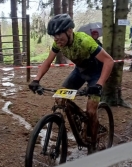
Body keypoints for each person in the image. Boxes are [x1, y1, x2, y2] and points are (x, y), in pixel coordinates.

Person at [28, 14, 114, 153]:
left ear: (69, 31)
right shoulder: (58, 43)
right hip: (79, 71)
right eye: (53, 36)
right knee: (59, 98)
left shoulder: (85, 41)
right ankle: (79, 120)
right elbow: (47, 62)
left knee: (91, 110)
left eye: (58, 35)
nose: (56, 39)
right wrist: (36, 79)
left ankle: (92, 141)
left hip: (96, 73)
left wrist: (99, 84)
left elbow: (109, 61)